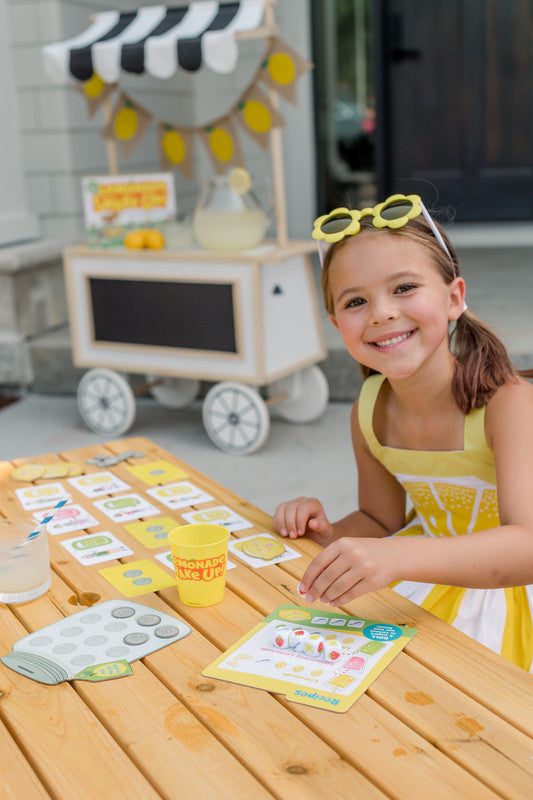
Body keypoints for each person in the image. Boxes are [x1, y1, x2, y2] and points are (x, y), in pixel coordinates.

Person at [273, 194, 533, 671]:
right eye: (355, 301)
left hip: (514, 597)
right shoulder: (368, 412)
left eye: (404, 287)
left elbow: (528, 545)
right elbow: (379, 521)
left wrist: (397, 559)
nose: (381, 313)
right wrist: (328, 533)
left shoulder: (508, 403)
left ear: (454, 297)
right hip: (421, 578)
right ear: (337, 324)